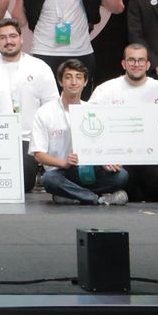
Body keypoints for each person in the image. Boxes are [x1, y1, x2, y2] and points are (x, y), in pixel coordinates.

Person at [90, 43, 158, 202]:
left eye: (141, 60)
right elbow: (91, 126)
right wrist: (104, 157)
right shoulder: (105, 90)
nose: (136, 64)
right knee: (122, 180)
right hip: (120, 158)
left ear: (148, 64)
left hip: (155, 158)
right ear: (124, 63)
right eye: (131, 60)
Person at [33, 59, 131, 205]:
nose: (74, 82)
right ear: (60, 81)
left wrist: (106, 161)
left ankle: (73, 196)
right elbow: (38, 155)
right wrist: (64, 163)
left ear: (85, 82)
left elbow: (104, 147)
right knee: (49, 180)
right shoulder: (45, 112)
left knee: (121, 176)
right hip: (62, 172)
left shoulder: (93, 111)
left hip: (91, 169)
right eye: (68, 77)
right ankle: (97, 198)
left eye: (78, 77)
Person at [0, 17, 56, 191]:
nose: (8, 41)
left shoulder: (39, 67)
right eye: (3, 37)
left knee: (23, 182)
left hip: (28, 139)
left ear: (21, 39)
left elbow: (51, 108)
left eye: (13, 36)